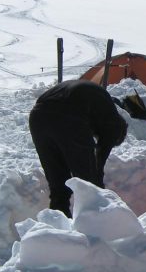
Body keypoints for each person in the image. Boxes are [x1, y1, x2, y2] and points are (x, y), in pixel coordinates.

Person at [29, 79, 128, 217]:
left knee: (57, 182)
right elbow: (99, 159)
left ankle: (58, 224)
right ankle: (97, 225)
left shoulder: (99, 104)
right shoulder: (114, 125)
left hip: (38, 116)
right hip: (68, 116)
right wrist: (96, 182)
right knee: (88, 183)